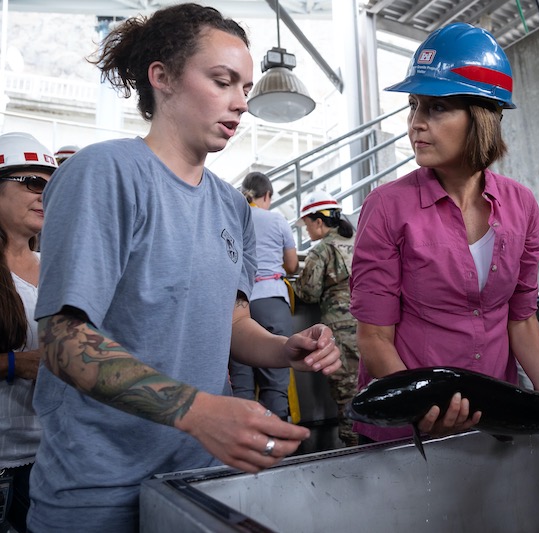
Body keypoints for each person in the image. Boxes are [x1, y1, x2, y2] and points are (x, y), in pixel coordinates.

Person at [29, 4, 341, 531]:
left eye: (245, 88)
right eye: (222, 81)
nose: (241, 103)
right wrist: (199, 411)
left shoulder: (231, 206)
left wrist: (284, 349)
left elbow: (232, 324)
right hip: (100, 490)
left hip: (196, 480)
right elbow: (63, 340)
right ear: (163, 77)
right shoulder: (105, 173)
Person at [349, 22, 539, 444]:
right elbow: (374, 337)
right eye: (414, 105)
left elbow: (520, 320)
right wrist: (425, 406)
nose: (415, 123)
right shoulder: (387, 207)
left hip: (493, 423)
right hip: (407, 434)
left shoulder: (522, 206)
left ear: (482, 117)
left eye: (437, 107)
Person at [0, 132, 56, 533]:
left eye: (52, 187)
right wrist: (17, 363)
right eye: (33, 183)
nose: (44, 195)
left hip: (53, 456)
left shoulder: (58, 265)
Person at [292, 191, 360, 447]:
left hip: (341, 330)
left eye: (307, 224)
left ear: (318, 221)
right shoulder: (360, 240)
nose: (307, 230)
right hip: (374, 325)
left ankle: (356, 452)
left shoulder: (321, 250)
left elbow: (308, 293)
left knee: (347, 394)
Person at [229, 171, 298, 420]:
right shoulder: (276, 220)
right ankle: (276, 451)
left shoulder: (233, 215)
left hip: (237, 302)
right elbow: (292, 265)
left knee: (241, 385)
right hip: (271, 301)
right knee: (275, 382)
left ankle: (240, 449)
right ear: (266, 195)